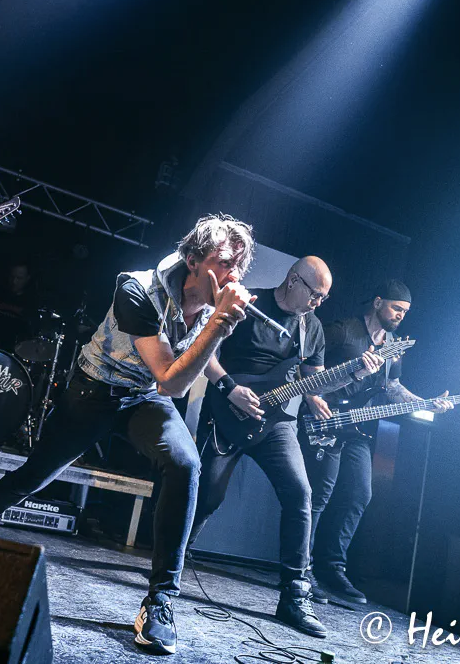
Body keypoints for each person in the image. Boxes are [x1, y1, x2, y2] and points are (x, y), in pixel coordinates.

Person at [0, 214, 256, 655]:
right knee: (36, 474)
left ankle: (161, 600)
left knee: (185, 463)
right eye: (225, 261)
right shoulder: (137, 289)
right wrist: (220, 323)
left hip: (142, 398)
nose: (234, 275)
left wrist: (220, 342)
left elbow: (192, 359)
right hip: (94, 392)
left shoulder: (213, 305)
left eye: (240, 266)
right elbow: (172, 380)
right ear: (193, 259)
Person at [189, 256, 385, 638]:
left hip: (276, 423)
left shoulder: (312, 328)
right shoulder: (248, 303)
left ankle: (295, 594)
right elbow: (204, 350)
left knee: (300, 493)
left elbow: (314, 383)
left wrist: (356, 372)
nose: (318, 303)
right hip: (229, 411)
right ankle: (176, 554)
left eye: (324, 298)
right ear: (293, 280)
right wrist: (230, 388)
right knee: (208, 496)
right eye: (315, 294)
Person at [303, 279, 452, 604]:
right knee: (320, 495)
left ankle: (332, 568)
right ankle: (301, 568)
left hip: (356, 428)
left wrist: (426, 403)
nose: (400, 315)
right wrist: (312, 397)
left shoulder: (393, 347)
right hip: (324, 420)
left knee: (360, 494)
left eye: (405, 312)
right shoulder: (344, 331)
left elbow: (392, 388)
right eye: (397, 308)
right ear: (378, 302)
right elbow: (305, 360)